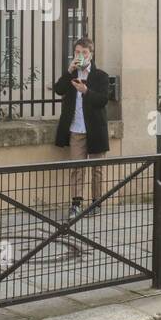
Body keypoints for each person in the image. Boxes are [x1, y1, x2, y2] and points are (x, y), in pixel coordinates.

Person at [53, 38, 111, 220]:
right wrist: (68, 71)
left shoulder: (100, 76)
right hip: (76, 129)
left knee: (97, 168)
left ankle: (96, 203)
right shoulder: (71, 74)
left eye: (84, 53)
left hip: (95, 129)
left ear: (91, 54)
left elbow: (102, 100)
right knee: (77, 168)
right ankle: (76, 205)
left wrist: (86, 91)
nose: (80, 56)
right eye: (77, 52)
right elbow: (58, 90)